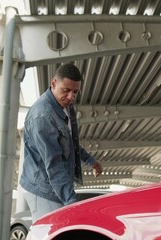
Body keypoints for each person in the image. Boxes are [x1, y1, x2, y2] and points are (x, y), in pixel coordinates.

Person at [19, 63, 103, 223]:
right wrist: (72, 202)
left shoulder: (65, 105)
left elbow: (70, 142)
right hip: (42, 189)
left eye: (75, 92)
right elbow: (54, 165)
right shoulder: (42, 117)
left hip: (54, 184)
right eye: (66, 90)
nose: (71, 97)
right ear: (53, 83)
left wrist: (90, 161)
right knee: (52, 232)